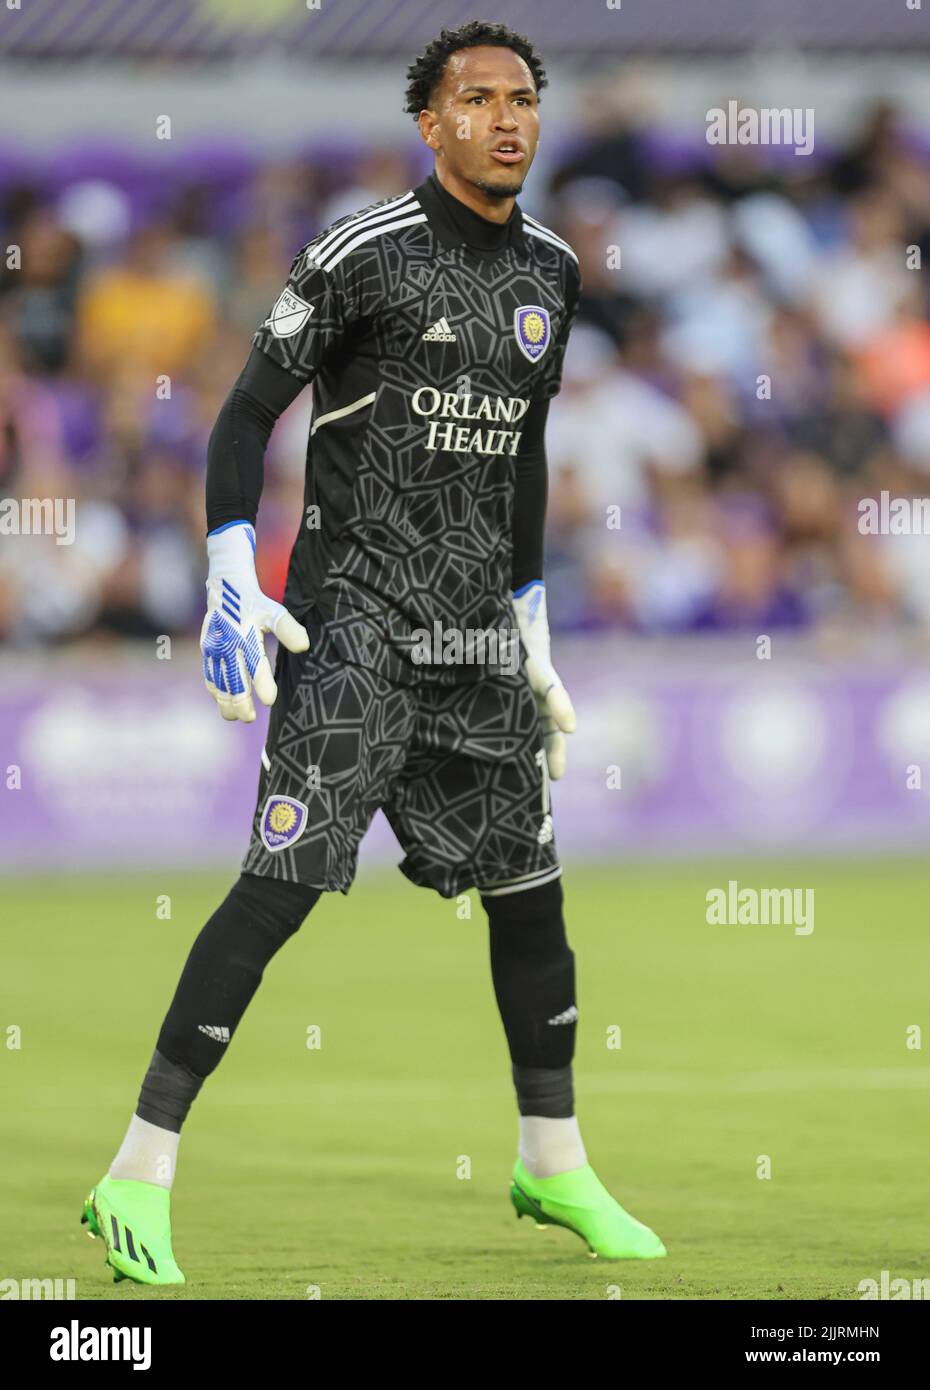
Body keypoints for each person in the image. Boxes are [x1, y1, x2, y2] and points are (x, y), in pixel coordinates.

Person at [81, 20, 666, 1285]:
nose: (507, 118)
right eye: (479, 100)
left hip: (476, 644)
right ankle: (136, 1170)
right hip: (355, 630)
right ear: (432, 123)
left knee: (532, 892)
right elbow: (243, 414)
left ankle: (552, 1162)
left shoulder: (553, 275)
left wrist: (533, 615)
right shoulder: (363, 253)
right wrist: (233, 560)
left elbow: (524, 454)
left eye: (524, 97)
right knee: (280, 884)